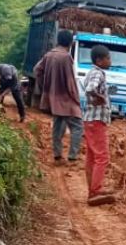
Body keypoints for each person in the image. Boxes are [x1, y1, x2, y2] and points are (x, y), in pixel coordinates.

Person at [34, 29, 83, 164]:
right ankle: (72, 157)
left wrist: (45, 86)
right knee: (78, 127)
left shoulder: (49, 55)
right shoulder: (66, 57)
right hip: (66, 98)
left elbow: (37, 70)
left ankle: (57, 156)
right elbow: (70, 81)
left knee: (58, 125)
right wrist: (76, 98)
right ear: (70, 42)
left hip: (53, 98)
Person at [82, 45, 116, 206]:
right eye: (108, 58)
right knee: (102, 157)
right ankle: (95, 191)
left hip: (89, 119)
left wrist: (97, 97)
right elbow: (90, 88)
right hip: (97, 121)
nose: (110, 61)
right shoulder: (98, 73)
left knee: (91, 157)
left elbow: (86, 87)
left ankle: (93, 189)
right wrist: (100, 97)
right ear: (99, 60)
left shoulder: (91, 72)